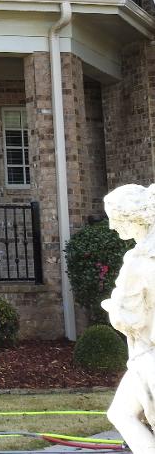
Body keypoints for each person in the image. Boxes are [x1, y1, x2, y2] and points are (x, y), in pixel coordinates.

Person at [102, 183, 155, 453]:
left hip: (149, 356)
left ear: (130, 218)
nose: (112, 227)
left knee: (121, 414)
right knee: (121, 412)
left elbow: (133, 321)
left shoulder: (138, 261)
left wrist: (112, 309)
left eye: (114, 219)